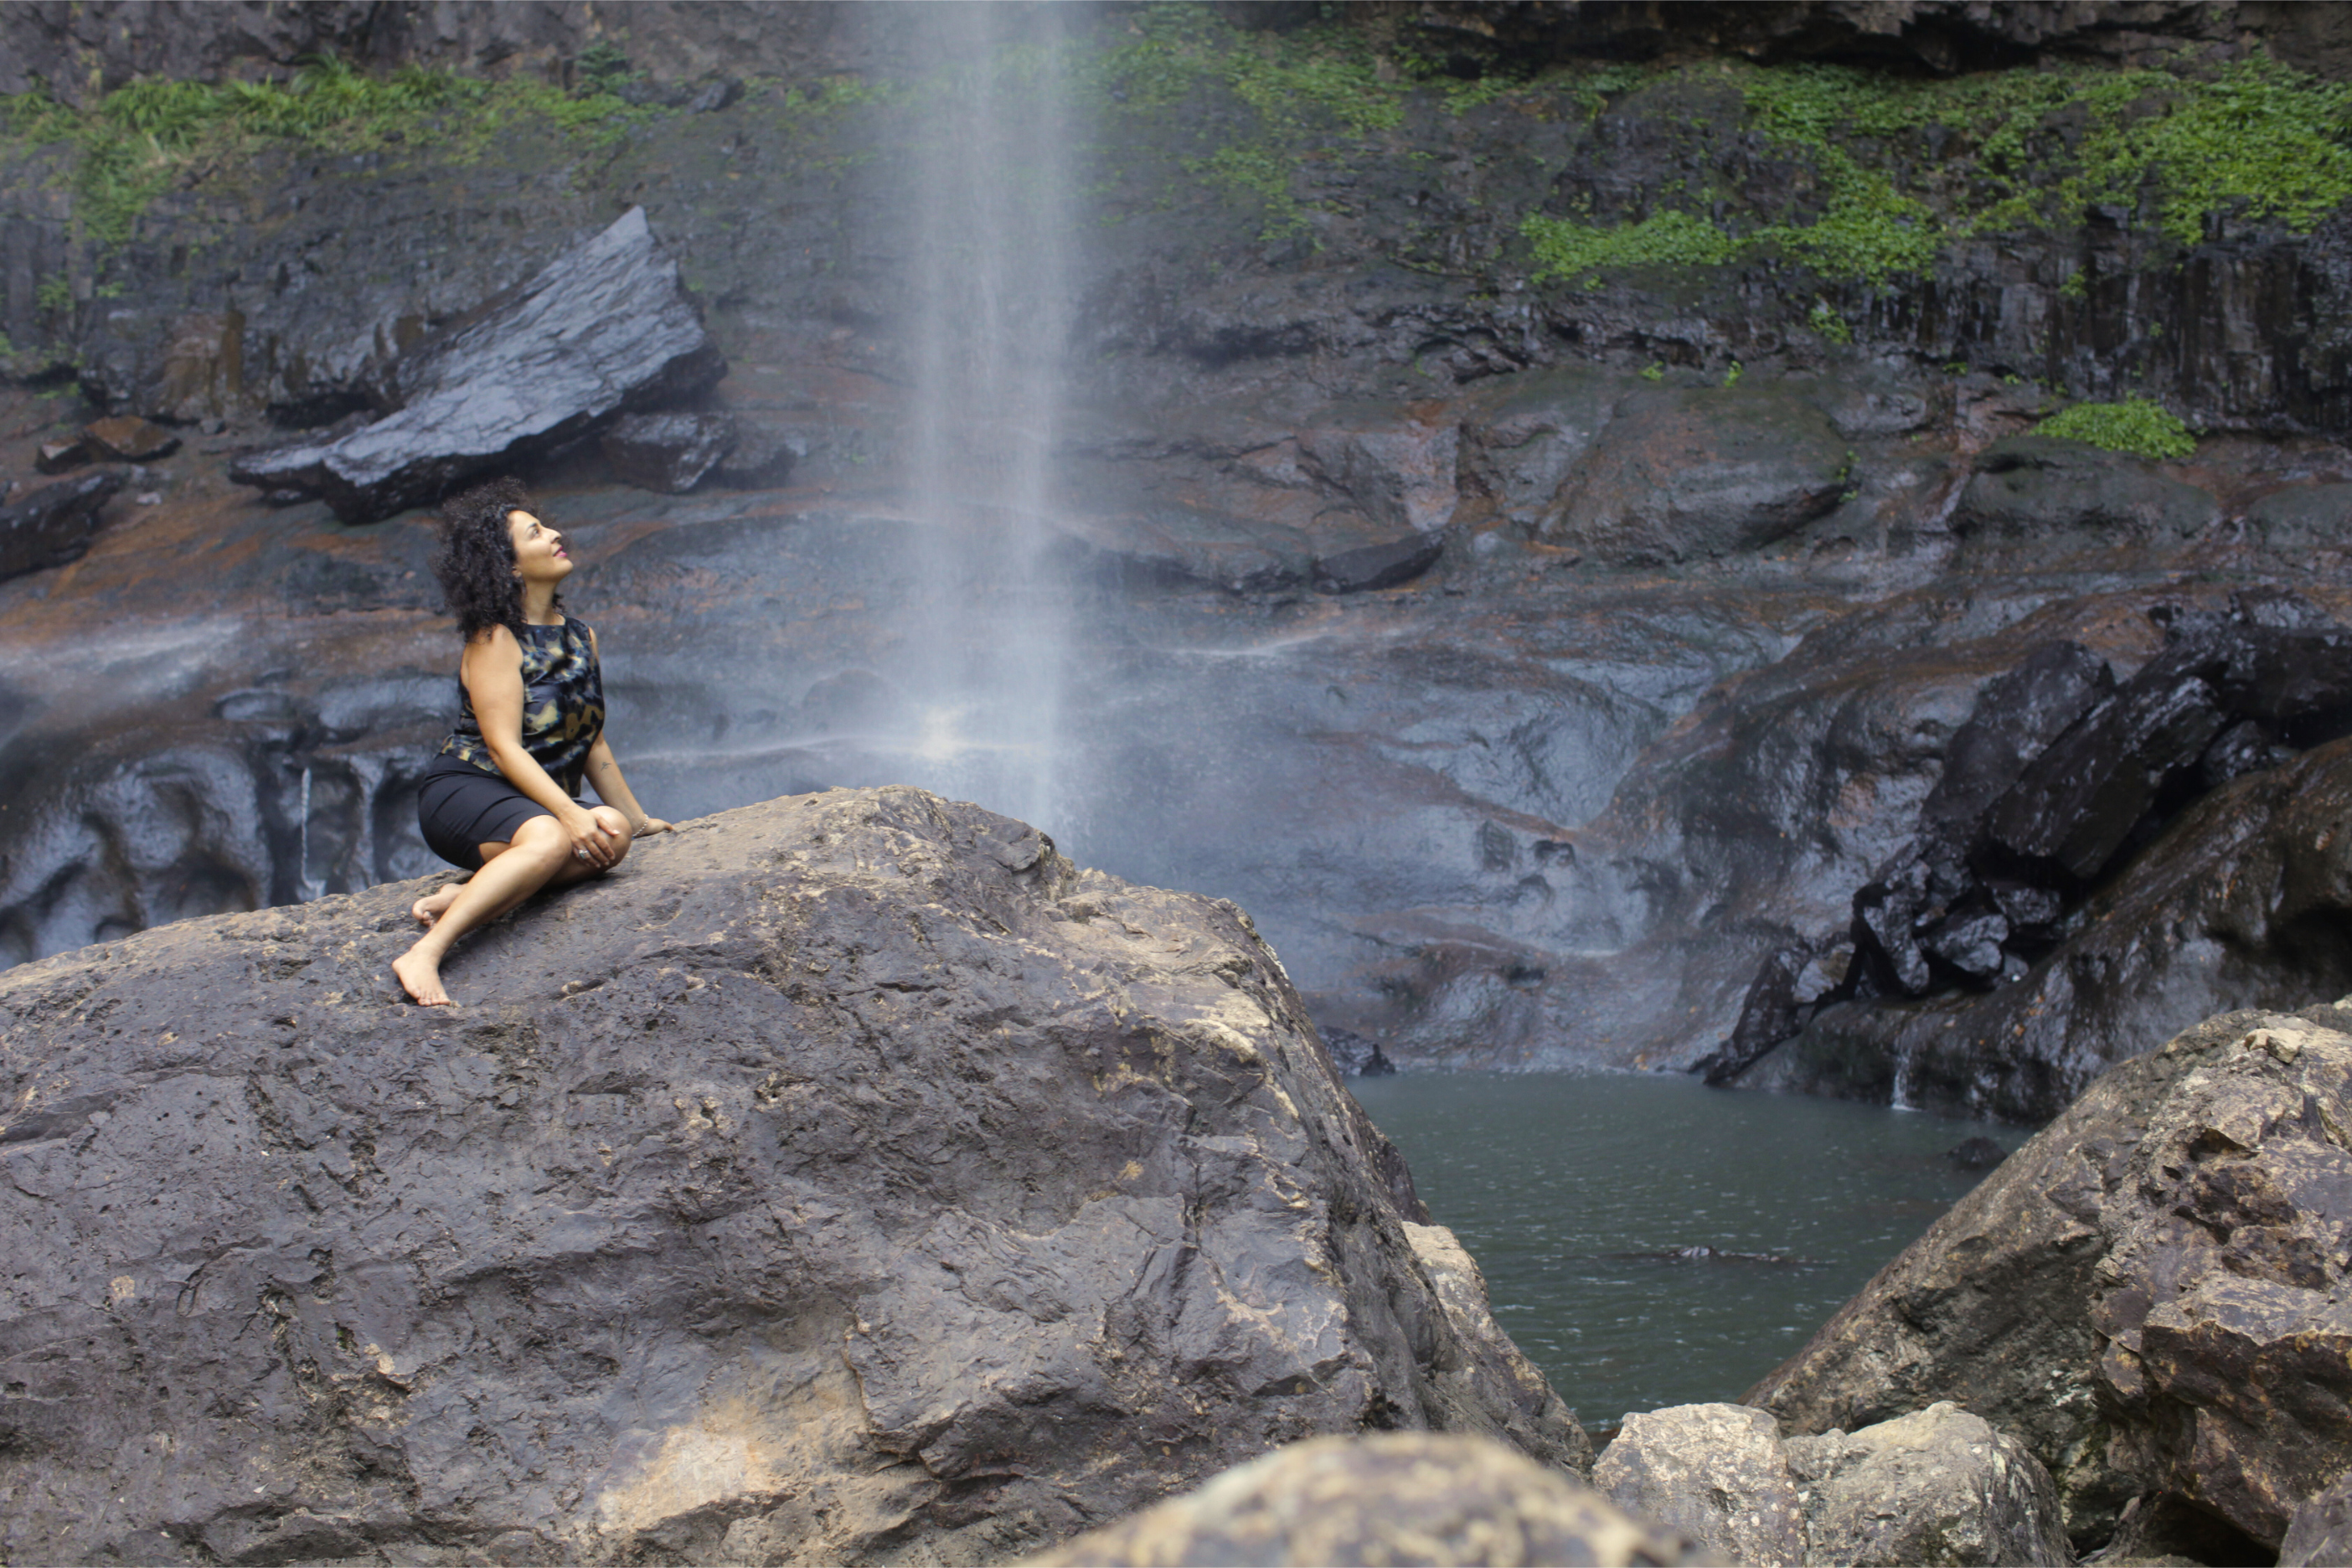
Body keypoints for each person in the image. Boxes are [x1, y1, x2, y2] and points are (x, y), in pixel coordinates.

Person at [394, 477, 669, 1006]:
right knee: (554, 837)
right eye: (537, 533)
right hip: (467, 788)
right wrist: (569, 812)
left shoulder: (580, 635)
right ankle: (426, 952)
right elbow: (503, 749)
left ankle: (470, 895)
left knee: (611, 836)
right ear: (511, 567)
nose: (556, 534)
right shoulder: (495, 637)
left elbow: (590, 738)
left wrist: (634, 818)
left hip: (531, 803)